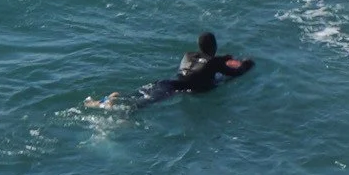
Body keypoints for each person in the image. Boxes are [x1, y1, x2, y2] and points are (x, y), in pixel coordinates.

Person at [86, 31, 254, 109]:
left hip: (165, 82)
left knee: (137, 95)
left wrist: (222, 59)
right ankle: (119, 111)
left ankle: (107, 99)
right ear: (214, 47)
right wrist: (248, 63)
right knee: (139, 106)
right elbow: (236, 73)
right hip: (176, 90)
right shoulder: (215, 63)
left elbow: (204, 61)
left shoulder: (189, 55)